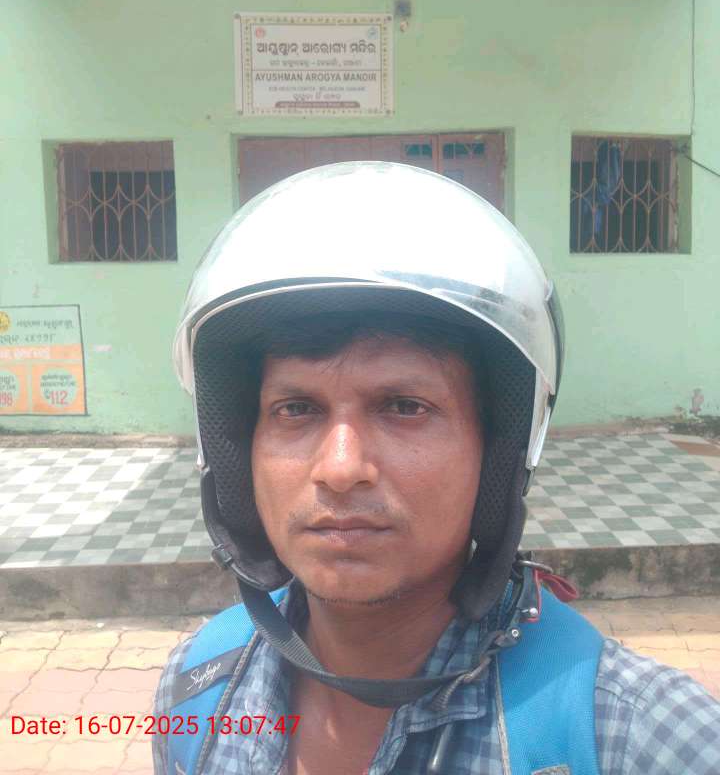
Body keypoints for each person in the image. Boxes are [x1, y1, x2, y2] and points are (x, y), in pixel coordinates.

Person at [153, 161, 720, 775]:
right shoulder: (198, 691)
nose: (340, 469)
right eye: (296, 409)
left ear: (497, 451)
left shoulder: (640, 739)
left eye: (404, 407)